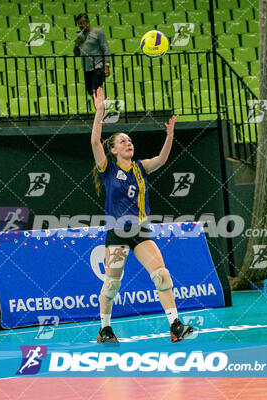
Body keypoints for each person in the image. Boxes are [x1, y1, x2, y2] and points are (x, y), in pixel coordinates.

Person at [90, 87, 192, 343]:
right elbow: (94, 142)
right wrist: (99, 112)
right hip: (117, 232)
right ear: (113, 149)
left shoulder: (141, 168)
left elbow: (162, 159)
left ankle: (175, 325)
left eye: (130, 140)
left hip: (140, 231)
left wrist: (169, 135)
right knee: (112, 285)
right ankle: (105, 329)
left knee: (162, 275)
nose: (128, 143)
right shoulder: (108, 169)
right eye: (122, 141)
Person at [73, 13, 110, 98]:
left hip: (97, 66)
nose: (80, 25)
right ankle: (100, 110)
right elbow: (76, 54)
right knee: (91, 92)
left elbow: (106, 49)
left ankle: (100, 111)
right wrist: (77, 44)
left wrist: (107, 65)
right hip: (86, 67)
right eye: (78, 23)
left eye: (82, 23)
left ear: (88, 22)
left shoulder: (98, 32)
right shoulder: (80, 35)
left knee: (96, 91)